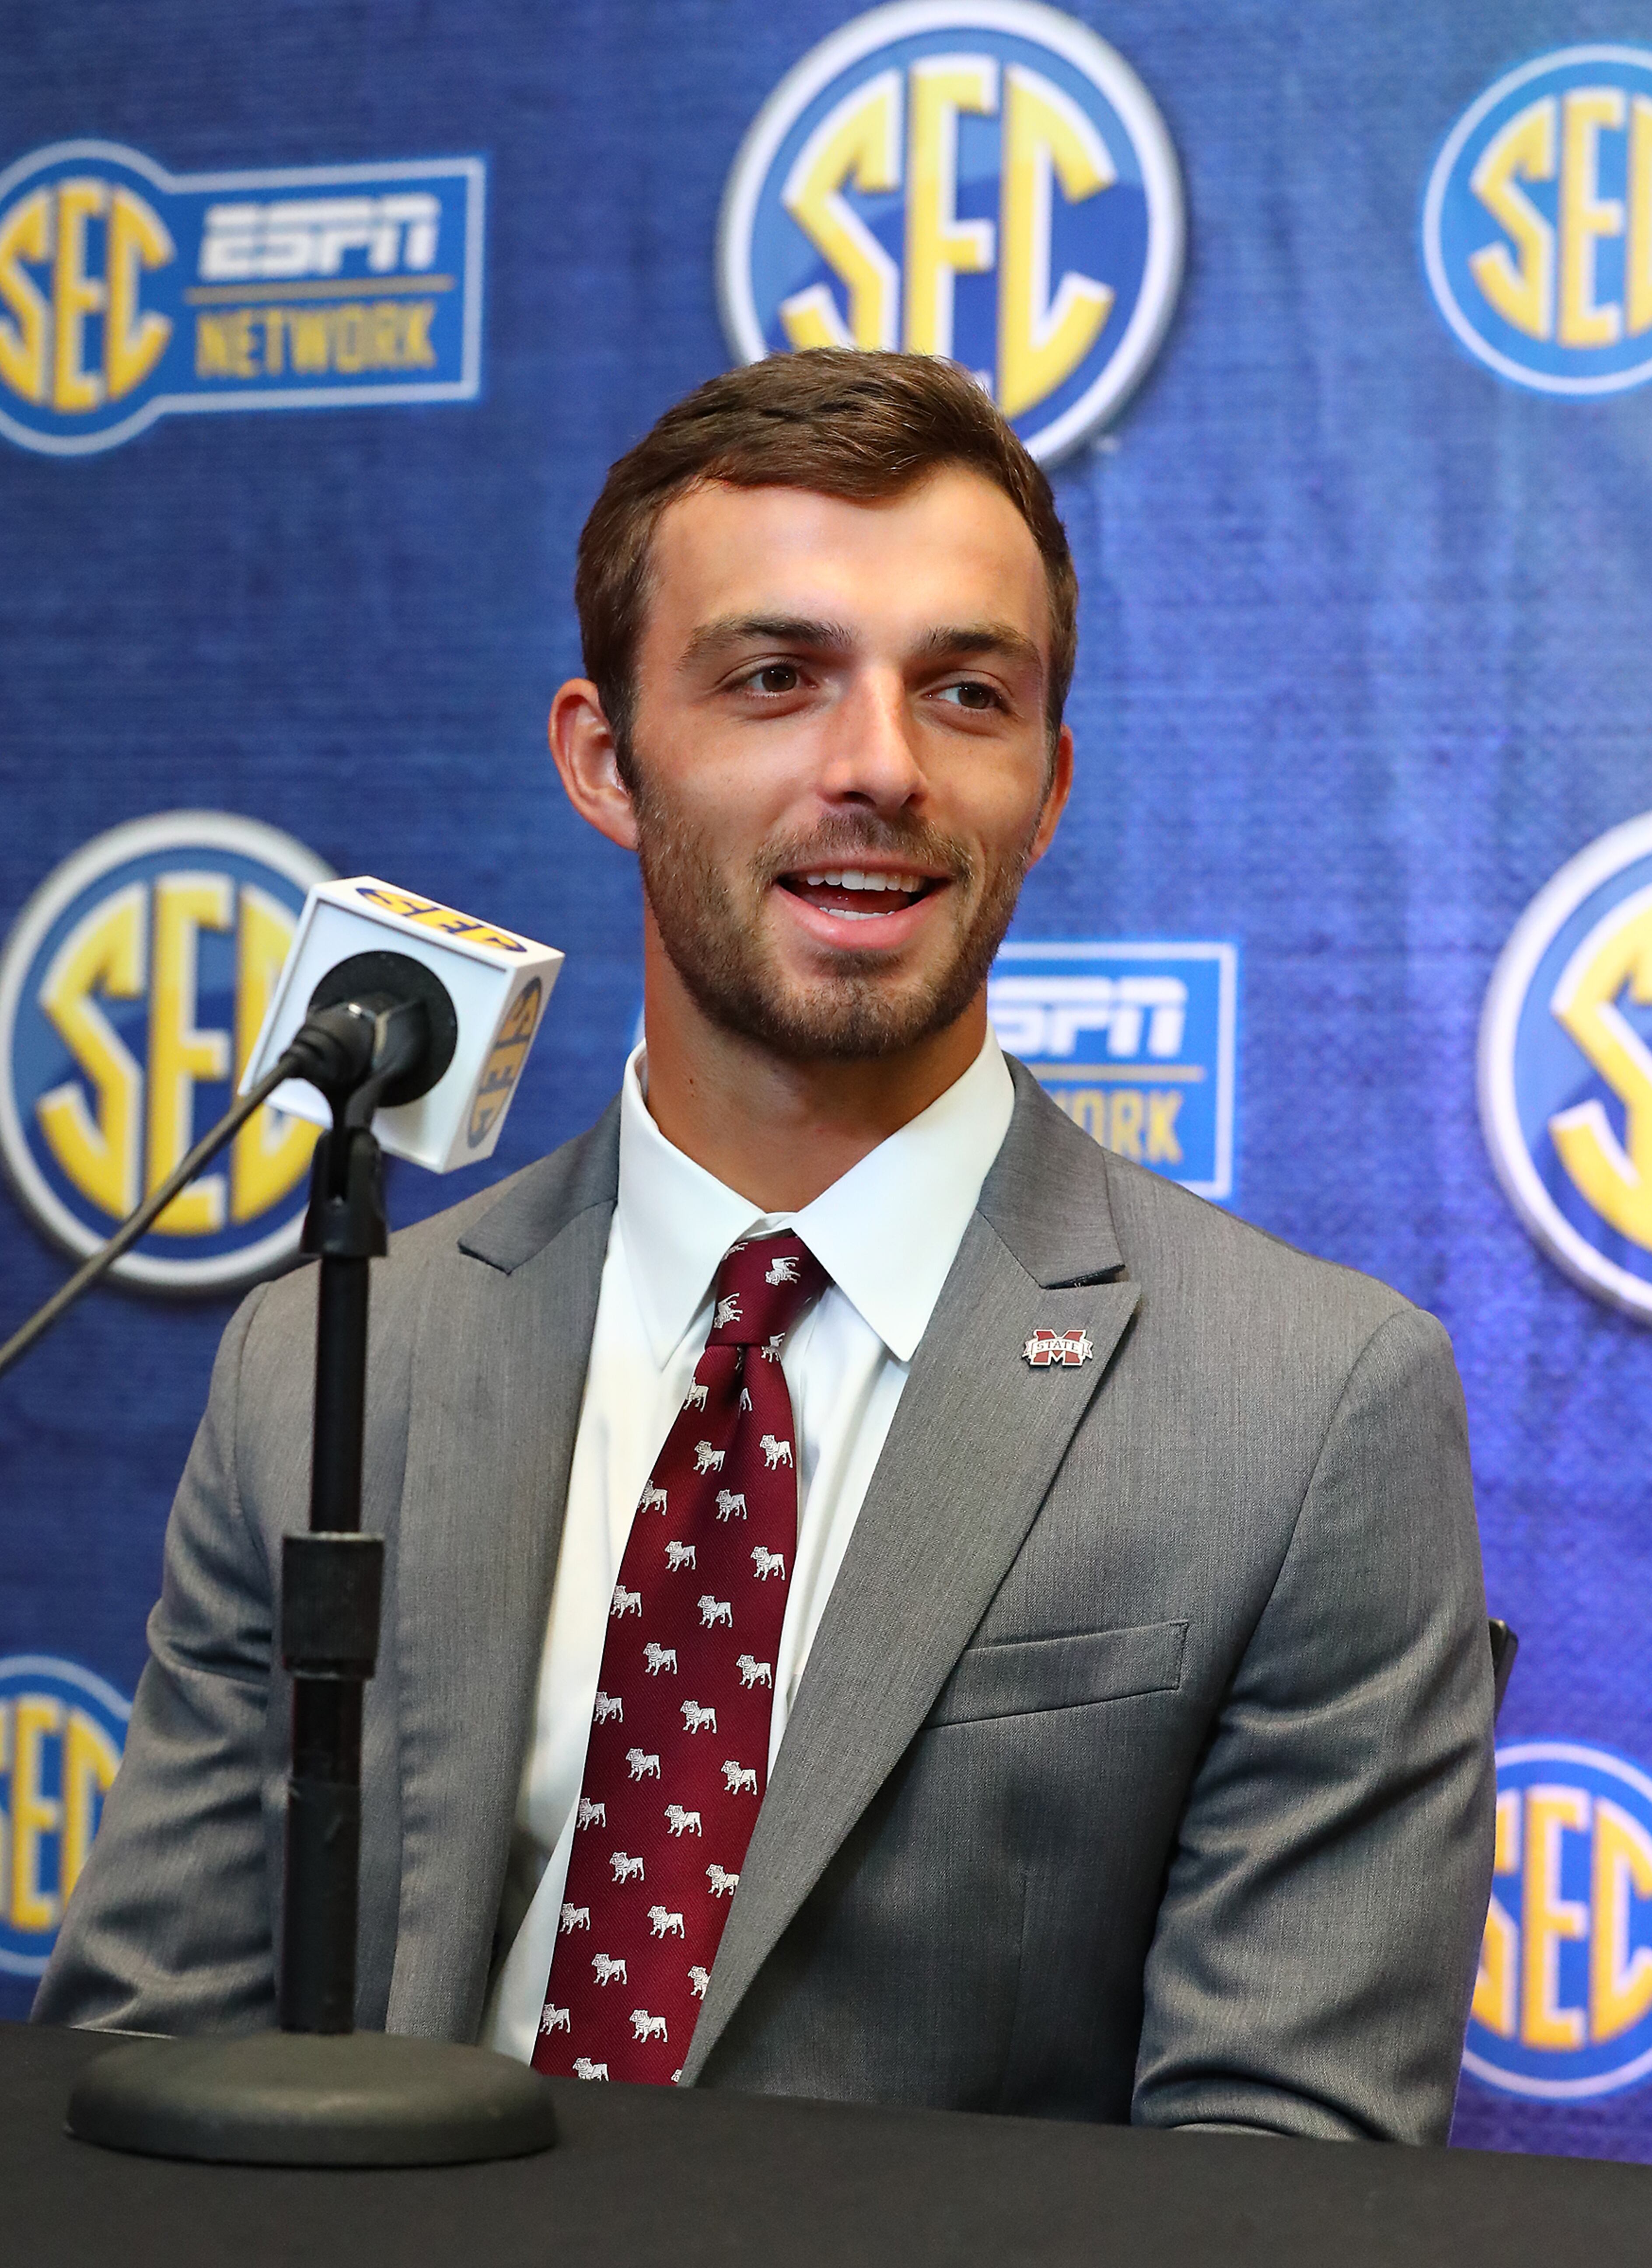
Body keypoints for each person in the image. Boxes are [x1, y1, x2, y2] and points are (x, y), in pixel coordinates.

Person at [36, 349, 1495, 2139]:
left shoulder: (1309, 1406)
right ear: (606, 758)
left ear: (1047, 782)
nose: (878, 766)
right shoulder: (338, 1360)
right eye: (778, 678)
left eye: (968, 691)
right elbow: (143, 2077)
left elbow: (1277, 2190)